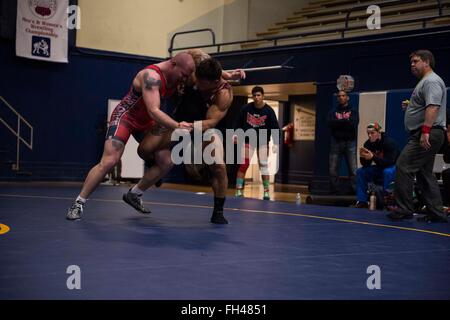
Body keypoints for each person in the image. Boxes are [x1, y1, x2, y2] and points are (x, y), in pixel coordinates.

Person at [66, 52, 195, 220]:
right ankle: (78, 203)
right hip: (126, 117)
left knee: (167, 161)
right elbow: (154, 111)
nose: (184, 79)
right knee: (109, 161)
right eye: (183, 75)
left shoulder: (178, 73)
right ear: (173, 64)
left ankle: (135, 194)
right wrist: (177, 126)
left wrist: (225, 75)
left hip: (146, 122)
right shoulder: (151, 76)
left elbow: (201, 65)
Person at [124, 56, 244, 224]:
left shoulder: (224, 94)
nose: (197, 84)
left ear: (215, 81)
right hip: (178, 122)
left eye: (203, 83)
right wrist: (228, 73)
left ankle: (218, 211)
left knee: (219, 166)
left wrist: (190, 127)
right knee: (145, 149)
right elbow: (189, 54)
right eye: (197, 80)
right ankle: (148, 177)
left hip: (205, 128)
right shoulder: (195, 72)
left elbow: (211, 122)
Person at [388, 50, 447, 222]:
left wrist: (425, 132)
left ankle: (404, 209)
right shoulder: (426, 82)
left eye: (415, 61)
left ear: (427, 62)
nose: (412, 65)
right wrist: (412, 107)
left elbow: (433, 107)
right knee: (424, 174)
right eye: (411, 62)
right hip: (428, 132)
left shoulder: (431, 81)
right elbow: (427, 106)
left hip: (428, 132)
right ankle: (436, 213)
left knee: (403, 165)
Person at [233, 86, 280, 200]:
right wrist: (235, 133)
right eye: (254, 95)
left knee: (263, 166)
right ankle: (239, 190)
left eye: (258, 95)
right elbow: (238, 122)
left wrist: (276, 143)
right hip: (249, 139)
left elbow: (275, 127)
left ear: (263, 96)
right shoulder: (246, 108)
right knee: (244, 164)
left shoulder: (269, 110)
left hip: (263, 141)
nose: (256, 97)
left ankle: (266, 192)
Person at [354, 122, 399, 208]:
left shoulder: (389, 143)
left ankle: (387, 201)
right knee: (361, 171)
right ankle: (362, 200)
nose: (370, 135)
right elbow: (365, 165)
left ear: (379, 133)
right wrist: (363, 157)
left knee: (387, 172)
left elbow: (389, 162)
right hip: (380, 167)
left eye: (372, 133)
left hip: (393, 167)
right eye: (368, 133)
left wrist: (373, 157)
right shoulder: (368, 144)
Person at [327, 90, 359, 194]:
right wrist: (345, 121)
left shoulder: (353, 110)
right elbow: (330, 124)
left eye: (343, 95)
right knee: (332, 169)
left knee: (353, 170)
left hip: (350, 142)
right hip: (336, 142)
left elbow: (353, 124)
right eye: (339, 96)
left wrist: (339, 123)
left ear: (347, 98)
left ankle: (354, 192)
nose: (341, 97)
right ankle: (334, 191)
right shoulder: (333, 111)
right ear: (337, 98)